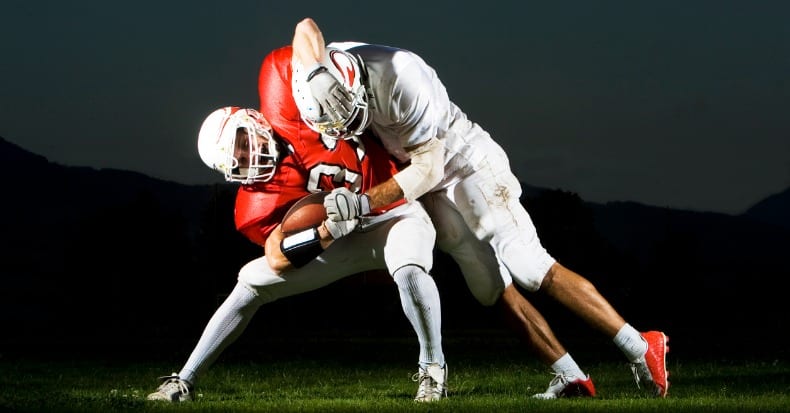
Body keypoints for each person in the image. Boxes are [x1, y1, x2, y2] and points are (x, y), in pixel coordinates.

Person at [287, 17, 670, 399]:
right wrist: (317, 71)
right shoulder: (321, 72)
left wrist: (363, 202)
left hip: (461, 161)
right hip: (424, 174)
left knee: (530, 264)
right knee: (490, 288)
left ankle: (641, 345)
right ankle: (571, 376)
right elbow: (305, 27)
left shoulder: (403, 78)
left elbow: (428, 167)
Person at [147, 105, 448, 403]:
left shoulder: (300, 114)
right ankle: (184, 379)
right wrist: (327, 232)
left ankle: (433, 368)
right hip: (338, 238)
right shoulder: (256, 202)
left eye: (240, 143)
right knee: (251, 280)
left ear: (253, 120)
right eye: (235, 160)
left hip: (394, 215)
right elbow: (278, 259)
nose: (245, 156)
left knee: (409, 268)